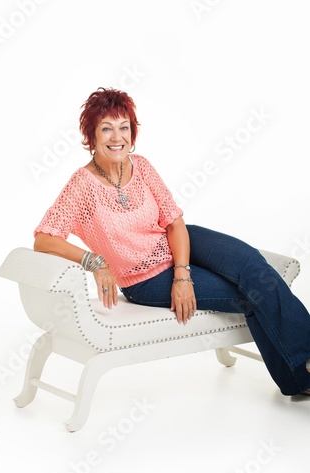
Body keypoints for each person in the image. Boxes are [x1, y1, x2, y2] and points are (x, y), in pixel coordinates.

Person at [34, 87, 310, 397]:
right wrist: (95, 263)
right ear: (92, 135)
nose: (117, 136)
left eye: (124, 127)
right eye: (106, 128)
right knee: (249, 295)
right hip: (145, 279)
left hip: (180, 242)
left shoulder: (142, 165)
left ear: (132, 131)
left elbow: (174, 221)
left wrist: (182, 274)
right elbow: (44, 238)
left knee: (252, 266)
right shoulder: (81, 186)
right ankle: (302, 376)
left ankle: (303, 373)